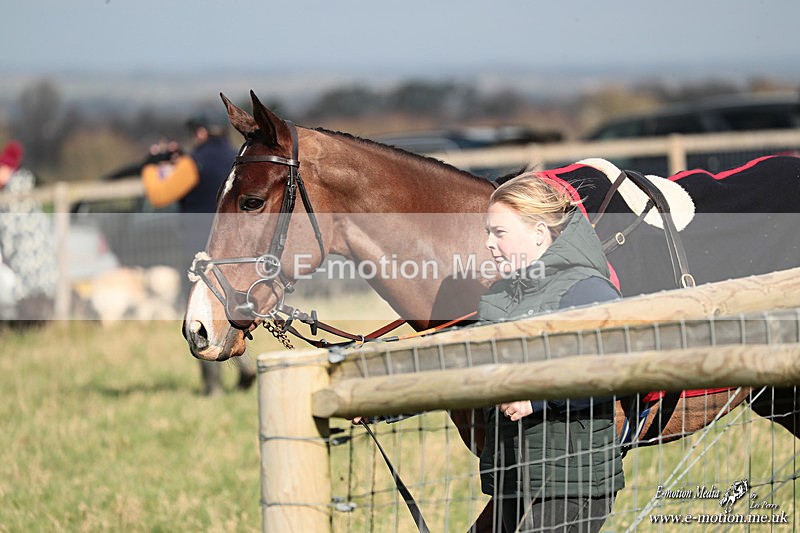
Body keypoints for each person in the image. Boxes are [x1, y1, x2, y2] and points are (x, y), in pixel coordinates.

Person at [478, 172, 624, 532]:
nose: (488, 243)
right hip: (514, 477)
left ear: (539, 234)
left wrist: (537, 400)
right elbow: (458, 368)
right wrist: (381, 405)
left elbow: (615, 368)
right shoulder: (496, 299)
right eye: (488, 232)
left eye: (499, 233)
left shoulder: (586, 290)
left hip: (574, 482)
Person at [140, 114, 256, 396]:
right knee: (229, 309)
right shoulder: (237, 156)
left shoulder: (194, 163)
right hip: (232, 248)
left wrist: (150, 166)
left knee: (199, 315)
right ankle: (246, 365)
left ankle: (212, 386)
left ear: (201, 133)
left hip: (199, 250)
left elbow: (159, 194)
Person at [0, 140, 57, 323]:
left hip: (27, 261)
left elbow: (9, 229)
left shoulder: (13, 195)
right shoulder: (24, 188)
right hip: (39, 262)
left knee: (30, 306)